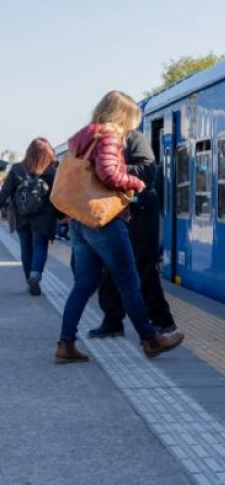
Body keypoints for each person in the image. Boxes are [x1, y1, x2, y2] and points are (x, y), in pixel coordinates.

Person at [55, 90, 185, 363]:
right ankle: (150, 339)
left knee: (85, 283)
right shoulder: (110, 134)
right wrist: (136, 184)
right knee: (129, 281)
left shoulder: (84, 136)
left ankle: (65, 344)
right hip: (103, 219)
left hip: (80, 219)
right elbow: (108, 173)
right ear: (122, 115)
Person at [88, 128, 177, 338]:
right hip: (115, 208)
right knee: (110, 267)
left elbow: (148, 169)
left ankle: (162, 320)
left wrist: (112, 169)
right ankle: (112, 321)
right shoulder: (100, 139)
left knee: (142, 266)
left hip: (140, 209)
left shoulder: (132, 138)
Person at [0, 137, 58, 295]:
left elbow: (5, 192)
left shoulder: (17, 169)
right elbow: (58, 196)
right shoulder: (51, 171)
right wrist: (61, 215)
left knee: (25, 247)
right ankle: (35, 275)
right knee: (40, 245)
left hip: (20, 215)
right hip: (43, 217)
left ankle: (28, 280)